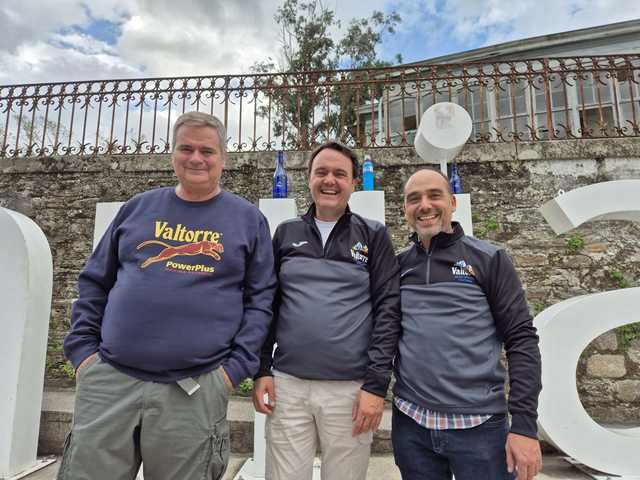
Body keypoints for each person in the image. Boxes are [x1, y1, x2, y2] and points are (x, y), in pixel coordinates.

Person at [60, 111, 276, 480]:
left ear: (224, 158)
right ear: (171, 154)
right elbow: (95, 281)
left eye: (207, 151)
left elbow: (261, 301)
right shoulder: (138, 208)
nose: (196, 158)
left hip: (195, 389)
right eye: (186, 148)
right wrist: (83, 353)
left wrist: (232, 371)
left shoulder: (247, 219)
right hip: (109, 381)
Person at [252, 141, 401, 480]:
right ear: (309, 179)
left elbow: (388, 311)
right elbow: (268, 304)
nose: (330, 180)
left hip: (351, 390)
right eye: (321, 172)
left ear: (352, 183)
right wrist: (261, 369)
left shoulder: (373, 235)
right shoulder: (286, 233)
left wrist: (376, 386)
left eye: (339, 174)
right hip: (288, 387)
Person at [392, 168, 543, 480]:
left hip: (480, 431)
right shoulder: (399, 265)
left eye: (435, 195)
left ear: (453, 202)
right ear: (405, 208)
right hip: (411, 425)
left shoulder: (489, 259)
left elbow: (521, 340)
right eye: (413, 199)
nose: (424, 205)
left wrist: (525, 426)